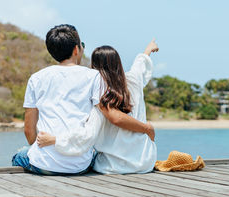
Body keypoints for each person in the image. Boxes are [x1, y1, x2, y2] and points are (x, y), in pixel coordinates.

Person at [12, 24, 154, 175]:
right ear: (76, 49)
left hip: (44, 163)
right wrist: (146, 128)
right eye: (82, 46)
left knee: (20, 155)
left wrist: (45, 150)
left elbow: (29, 131)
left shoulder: (36, 79)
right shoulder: (94, 77)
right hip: (80, 166)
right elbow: (112, 115)